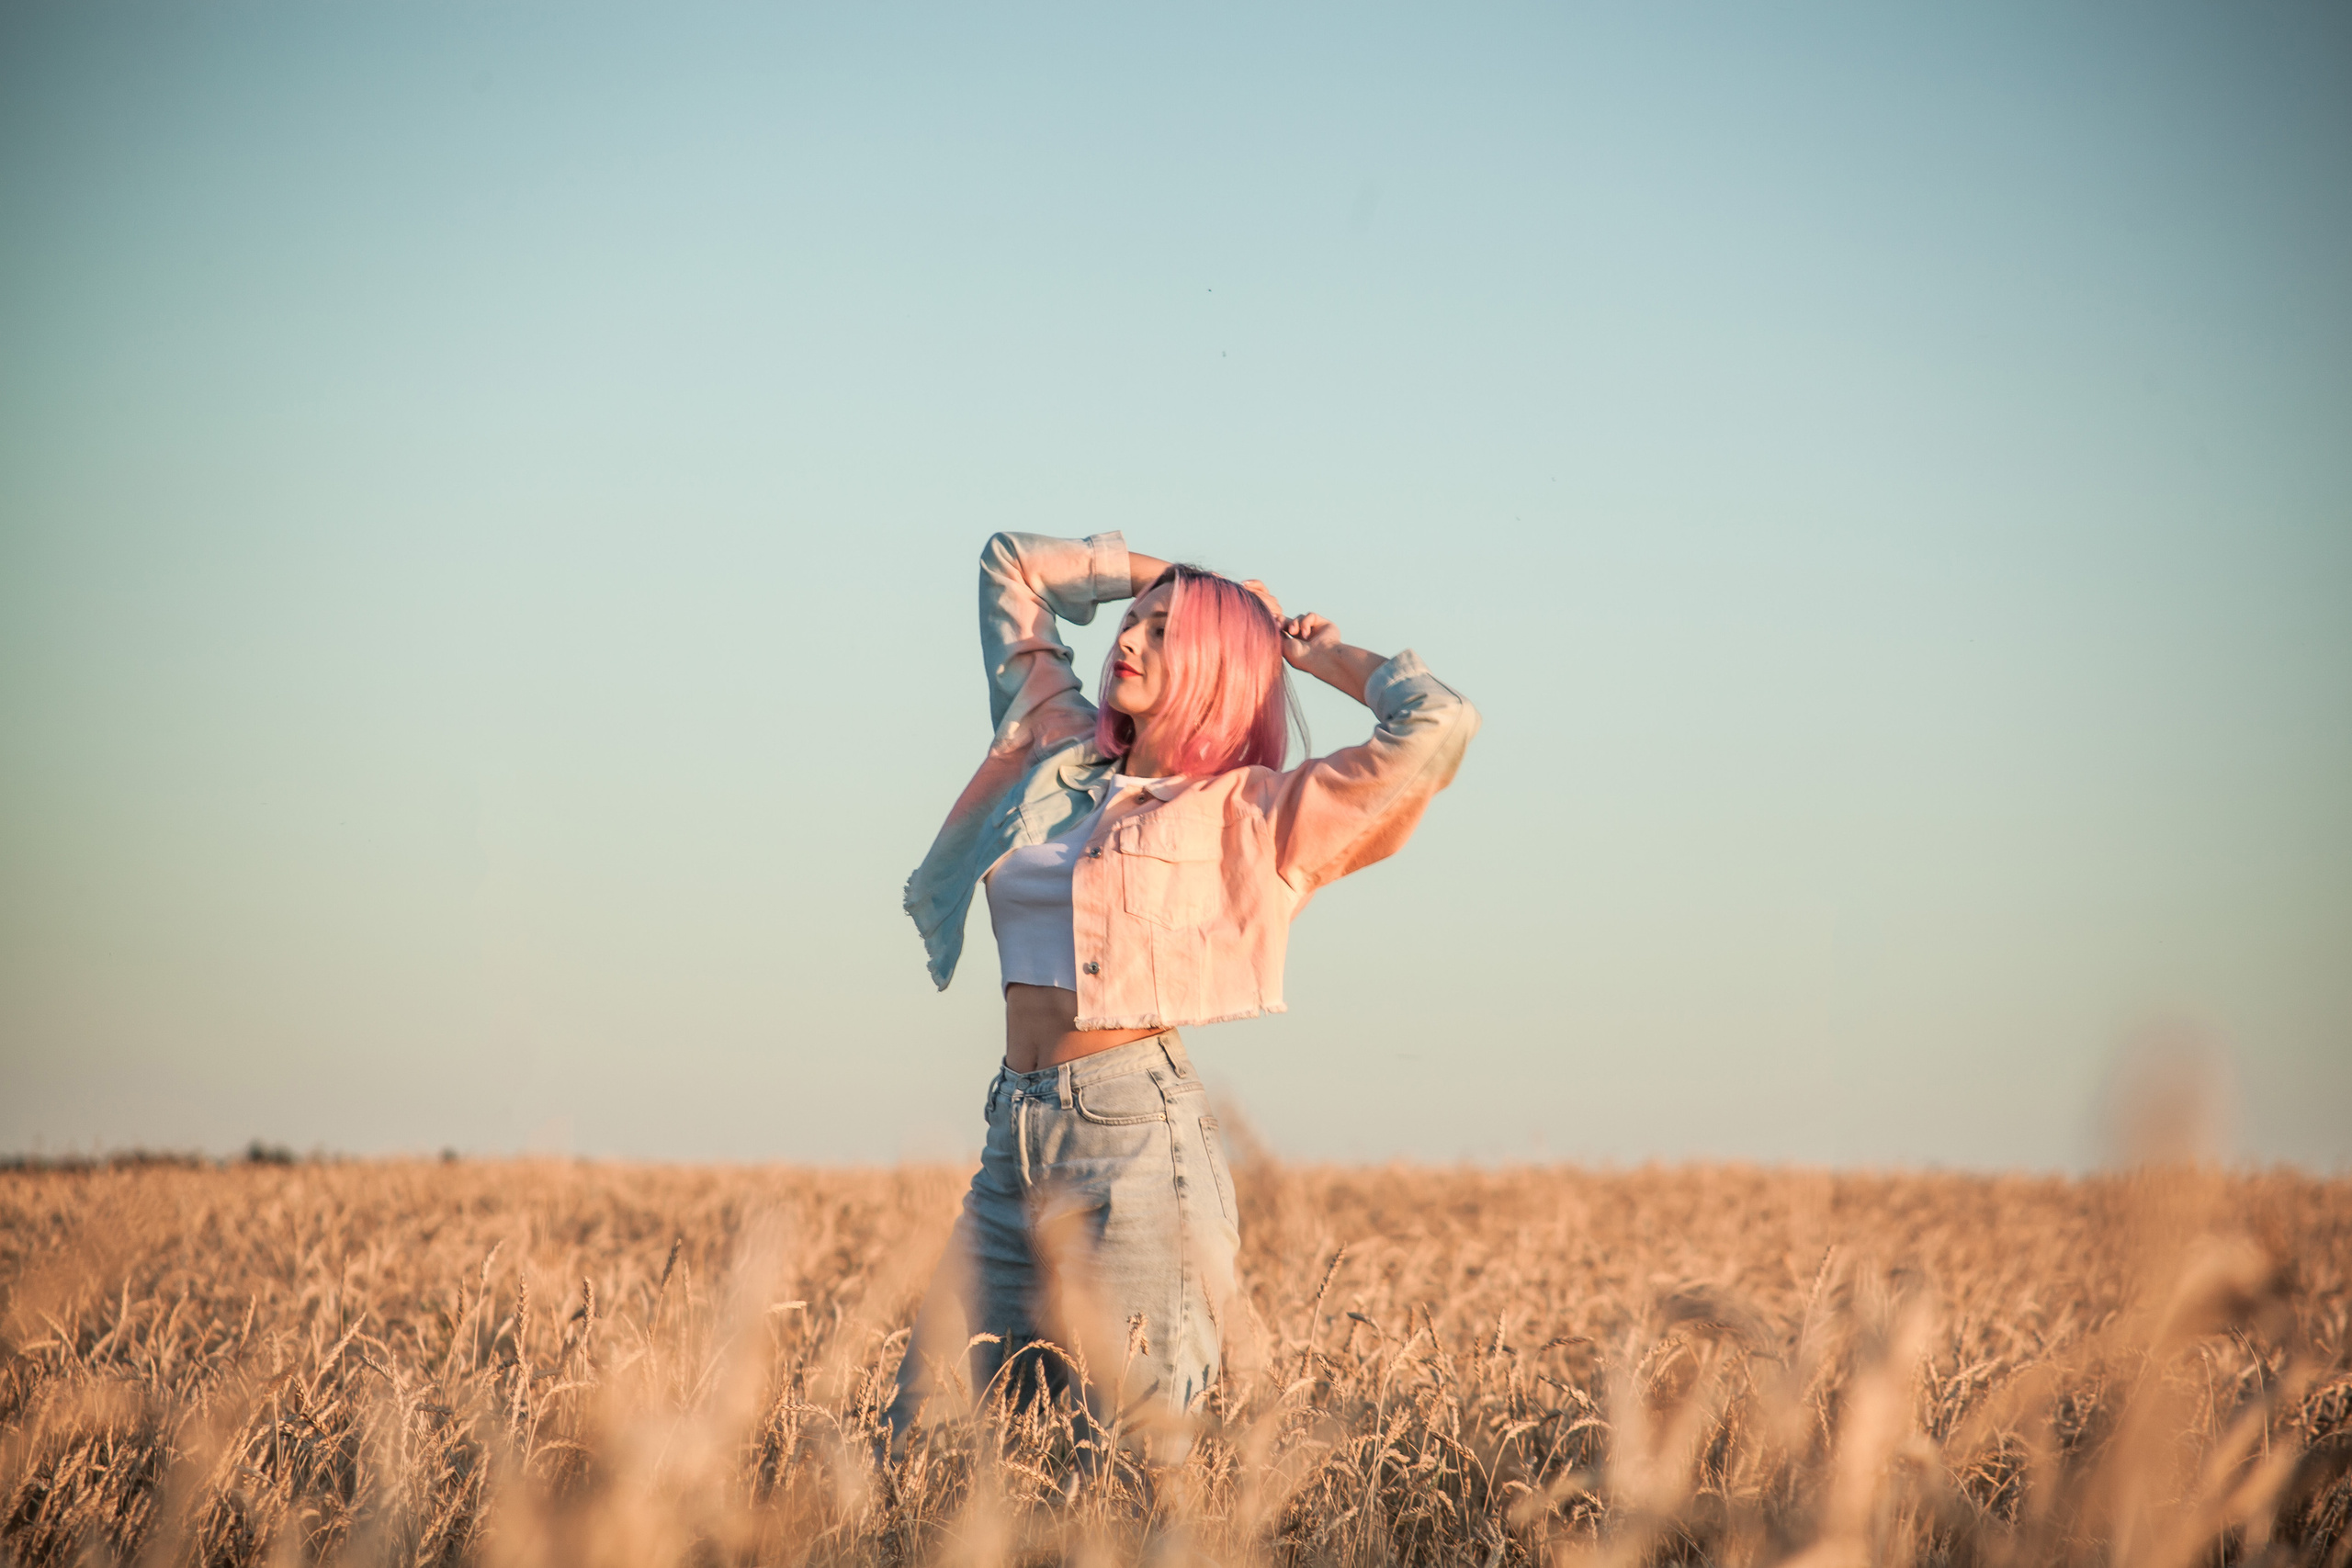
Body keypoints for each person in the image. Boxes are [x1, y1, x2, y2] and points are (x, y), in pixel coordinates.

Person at [888, 530, 1477, 1463]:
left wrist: (1319, 655)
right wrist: (1177, 579)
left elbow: (1435, 728)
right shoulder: (1053, 744)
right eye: (1132, 622)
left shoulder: (1257, 814)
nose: (1129, 638)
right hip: (1012, 1137)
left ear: (1210, 665)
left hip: (1135, 1149)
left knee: (1126, 1470)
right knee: (917, 1447)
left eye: (1164, 632)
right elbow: (1013, 564)